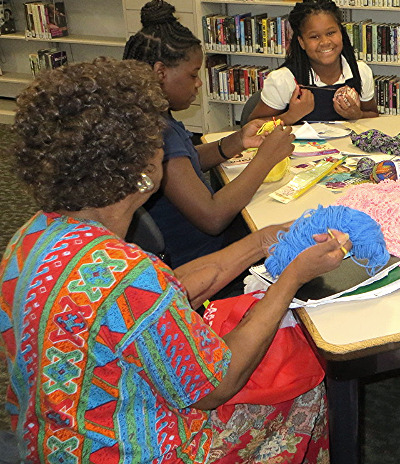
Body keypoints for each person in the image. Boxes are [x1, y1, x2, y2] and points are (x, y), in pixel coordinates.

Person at [1, 58, 348, 463]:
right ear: (142, 168)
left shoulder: (32, 238)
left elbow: (162, 293)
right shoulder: (131, 276)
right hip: (132, 452)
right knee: (303, 385)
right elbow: (217, 385)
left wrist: (262, 241)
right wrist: (291, 279)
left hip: (49, 441)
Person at [123, 0, 293, 267]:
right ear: (160, 72)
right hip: (201, 259)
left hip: (190, 247)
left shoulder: (148, 116)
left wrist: (237, 141)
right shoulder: (159, 132)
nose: (199, 83)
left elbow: (185, 162)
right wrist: (265, 160)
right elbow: (213, 218)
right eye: (193, 75)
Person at [248, 0, 379, 124]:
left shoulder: (360, 71)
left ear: (341, 33)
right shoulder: (284, 80)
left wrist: (358, 115)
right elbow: (252, 126)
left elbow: (373, 115)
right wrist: (290, 116)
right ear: (302, 42)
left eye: (331, 33)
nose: (325, 42)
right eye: (314, 37)